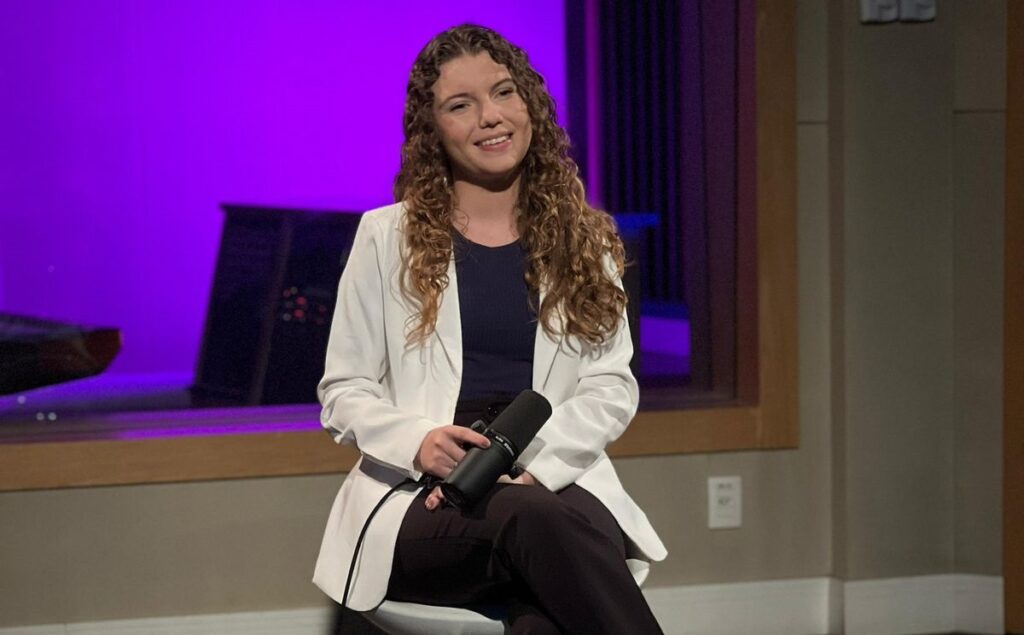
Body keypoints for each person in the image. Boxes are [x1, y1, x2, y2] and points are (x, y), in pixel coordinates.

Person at [313, 24, 667, 634]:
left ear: (529, 103)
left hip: (552, 473)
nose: (490, 117)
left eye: (503, 92)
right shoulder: (385, 237)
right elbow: (343, 391)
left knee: (543, 606)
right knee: (534, 522)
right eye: (461, 105)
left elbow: (610, 386)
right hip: (425, 496)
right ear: (433, 130)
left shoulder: (586, 238)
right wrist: (419, 441)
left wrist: (537, 470)